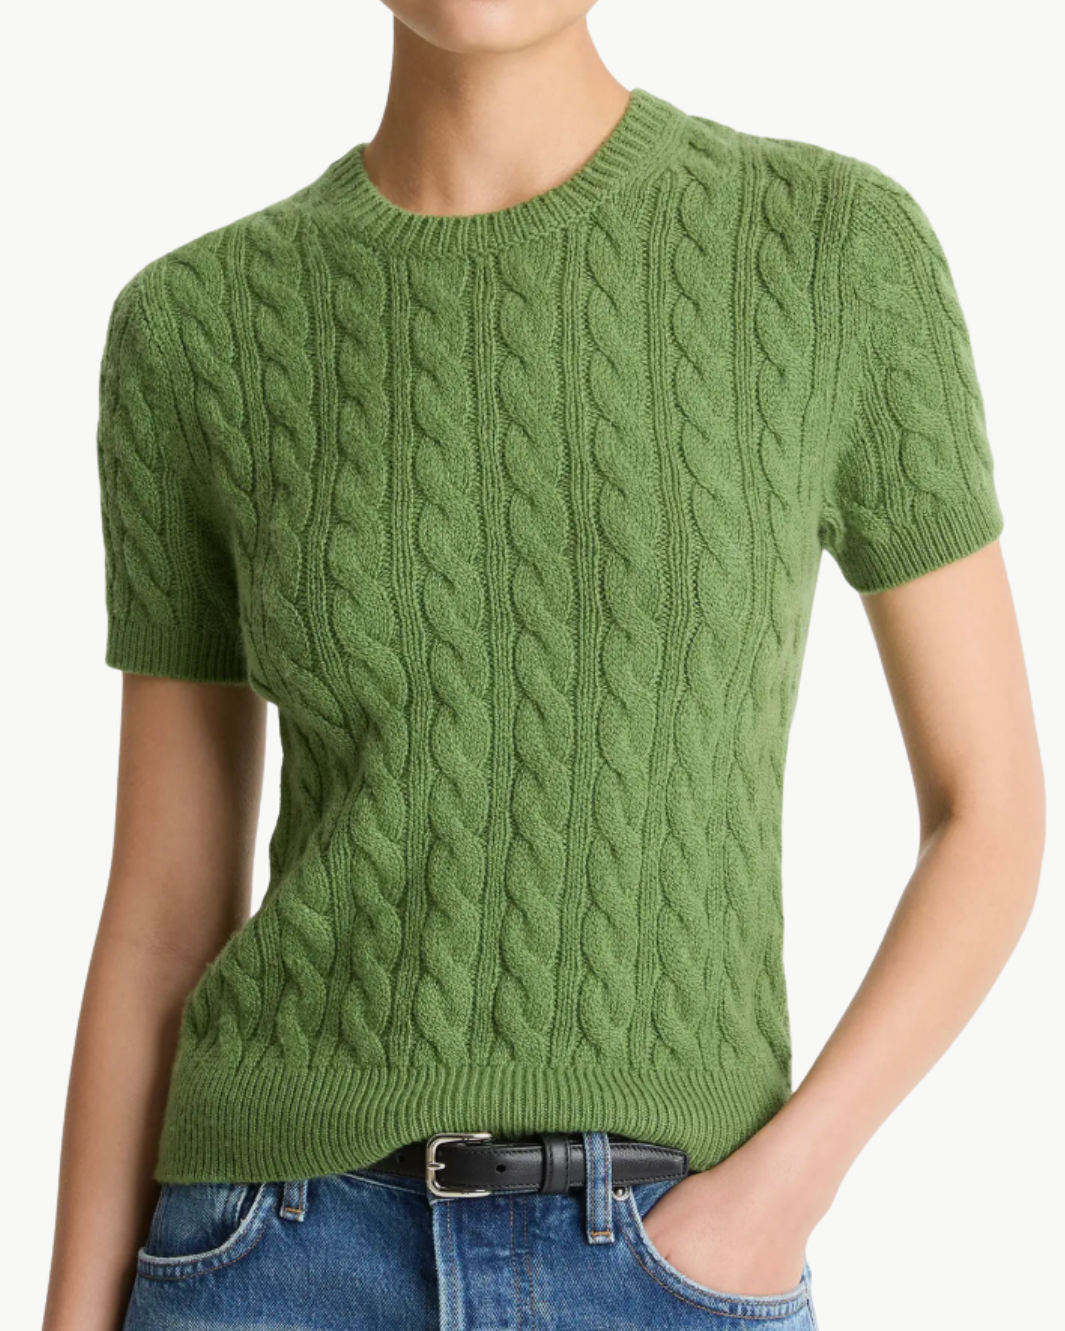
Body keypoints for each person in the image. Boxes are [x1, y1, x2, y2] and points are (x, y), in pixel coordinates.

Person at [42, 2, 1045, 1329]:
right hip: (270, 1254)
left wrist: (781, 1191)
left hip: (670, 1254)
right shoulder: (196, 328)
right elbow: (164, 912)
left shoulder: (830, 251)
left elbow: (990, 809)